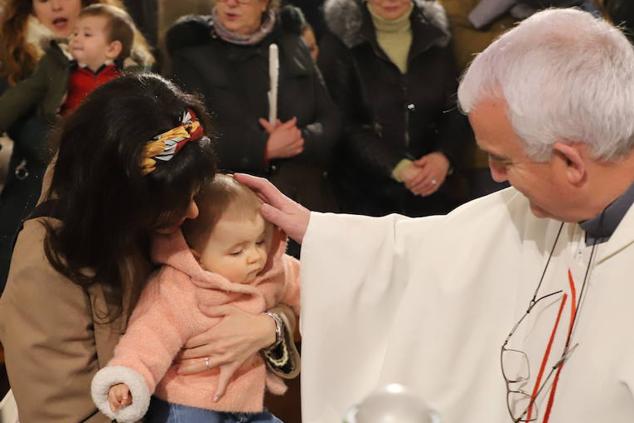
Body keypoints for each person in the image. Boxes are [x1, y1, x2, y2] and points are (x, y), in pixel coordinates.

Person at [237, 8, 634, 422]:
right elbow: (430, 247)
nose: (496, 177)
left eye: (503, 161)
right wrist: (319, 232)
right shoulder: (537, 207)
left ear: (571, 164)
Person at [0, 74, 296, 423]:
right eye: (177, 203)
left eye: (194, 193)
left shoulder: (171, 185)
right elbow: (61, 412)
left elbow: (274, 284)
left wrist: (270, 326)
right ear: (122, 198)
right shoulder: (48, 260)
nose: (194, 212)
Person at [90, 174, 300, 423]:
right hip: (187, 406)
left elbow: (312, 294)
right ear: (196, 256)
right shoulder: (177, 288)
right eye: (237, 251)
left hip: (245, 406)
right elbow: (149, 337)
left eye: (260, 241)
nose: (255, 256)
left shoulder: (270, 271)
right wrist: (127, 377)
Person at [0, 0, 154, 293]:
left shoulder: (132, 61)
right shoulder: (19, 54)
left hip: (111, 192)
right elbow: (26, 128)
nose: (57, 5)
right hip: (34, 189)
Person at [165, 0, 341, 222]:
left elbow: (331, 118)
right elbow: (181, 134)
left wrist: (300, 139)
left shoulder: (292, 42)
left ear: (265, 4)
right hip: (229, 206)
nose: (232, 3)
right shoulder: (192, 53)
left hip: (303, 199)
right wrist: (261, 147)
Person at [318, 0, 470, 217]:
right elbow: (341, 121)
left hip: (436, 194)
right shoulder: (338, 40)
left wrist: (444, 157)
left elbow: (457, 105)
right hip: (363, 198)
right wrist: (397, 167)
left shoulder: (439, 32)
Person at [0, 4, 138, 131]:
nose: (76, 39)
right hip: (64, 134)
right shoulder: (57, 64)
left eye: (87, 34)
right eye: (75, 33)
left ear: (112, 49)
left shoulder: (127, 76)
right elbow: (20, 95)